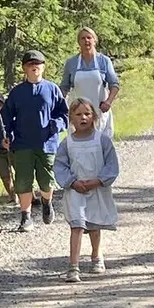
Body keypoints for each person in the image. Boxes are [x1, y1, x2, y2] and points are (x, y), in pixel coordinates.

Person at [1, 49, 69, 233]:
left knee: (47, 181)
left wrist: (58, 124)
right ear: (24, 68)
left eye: (38, 64)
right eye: (30, 65)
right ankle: (26, 217)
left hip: (47, 143)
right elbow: (6, 117)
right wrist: (7, 135)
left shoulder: (52, 89)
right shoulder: (16, 93)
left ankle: (47, 202)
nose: (34, 68)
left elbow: (64, 113)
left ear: (43, 67)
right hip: (22, 144)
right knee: (23, 181)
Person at [54, 97, 120, 283]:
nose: (83, 117)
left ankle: (96, 256)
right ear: (71, 118)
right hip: (75, 189)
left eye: (87, 113)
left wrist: (98, 181)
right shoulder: (67, 143)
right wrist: (72, 182)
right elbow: (60, 166)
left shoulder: (102, 140)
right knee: (77, 224)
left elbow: (111, 164)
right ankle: (73, 266)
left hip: (97, 188)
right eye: (78, 114)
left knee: (94, 224)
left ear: (94, 117)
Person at [59, 27, 121, 138]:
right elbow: (64, 87)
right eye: (83, 38)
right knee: (78, 145)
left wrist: (108, 102)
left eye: (89, 37)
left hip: (99, 110)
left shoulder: (104, 61)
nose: (86, 41)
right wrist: (58, 104)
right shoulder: (71, 63)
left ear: (94, 40)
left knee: (101, 144)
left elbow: (114, 84)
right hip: (78, 112)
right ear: (79, 42)